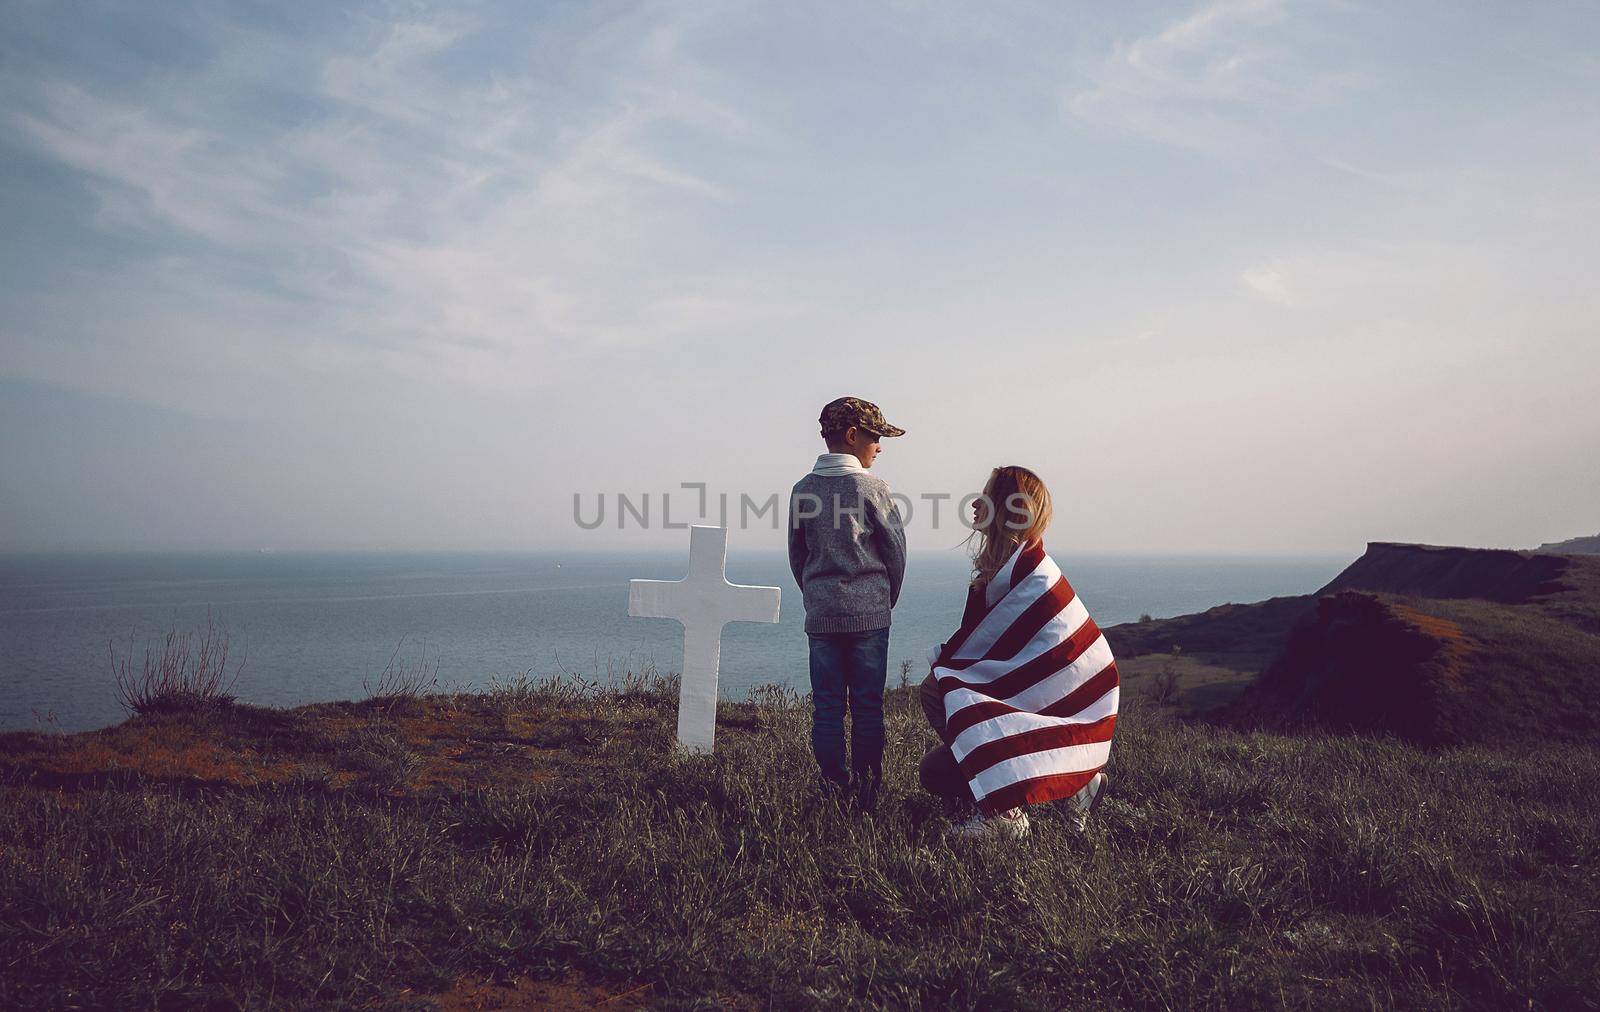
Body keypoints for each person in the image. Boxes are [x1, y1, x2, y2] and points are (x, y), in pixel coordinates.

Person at [919, 465, 1116, 840]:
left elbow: (1023, 655)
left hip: (1057, 702)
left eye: (987, 497)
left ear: (1008, 509)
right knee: (934, 771)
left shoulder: (1031, 574)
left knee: (935, 688)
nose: (975, 503)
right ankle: (1075, 788)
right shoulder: (1009, 566)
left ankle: (1005, 814)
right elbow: (989, 649)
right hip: (1041, 702)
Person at [787, 397, 908, 811]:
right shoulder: (874, 488)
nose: (880, 446)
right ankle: (869, 792)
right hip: (869, 616)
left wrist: (816, 595)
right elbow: (895, 552)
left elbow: (796, 553)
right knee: (868, 706)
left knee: (827, 706)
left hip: (822, 615)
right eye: (875, 437)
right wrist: (883, 600)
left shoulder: (803, 490)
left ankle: (832, 786)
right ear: (853, 436)